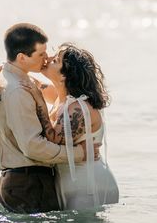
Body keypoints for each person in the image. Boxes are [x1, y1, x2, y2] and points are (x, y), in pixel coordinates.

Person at [0, 23, 94, 213]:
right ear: (22, 57)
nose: (46, 58)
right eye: (41, 54)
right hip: (29, 184)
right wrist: (79, 154)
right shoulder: (17, 91)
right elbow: (32, 146)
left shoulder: (21, 80)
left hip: (25, 182)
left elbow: (47, 90)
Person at [38, 43, 120, 209]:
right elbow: (32, 86)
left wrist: (38, 108)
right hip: (74, 183)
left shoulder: (78, 108)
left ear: (64, 76)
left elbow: (54, 141)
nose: (49, 59)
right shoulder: (60, 97)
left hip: (89, 186)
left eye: (56, 60)